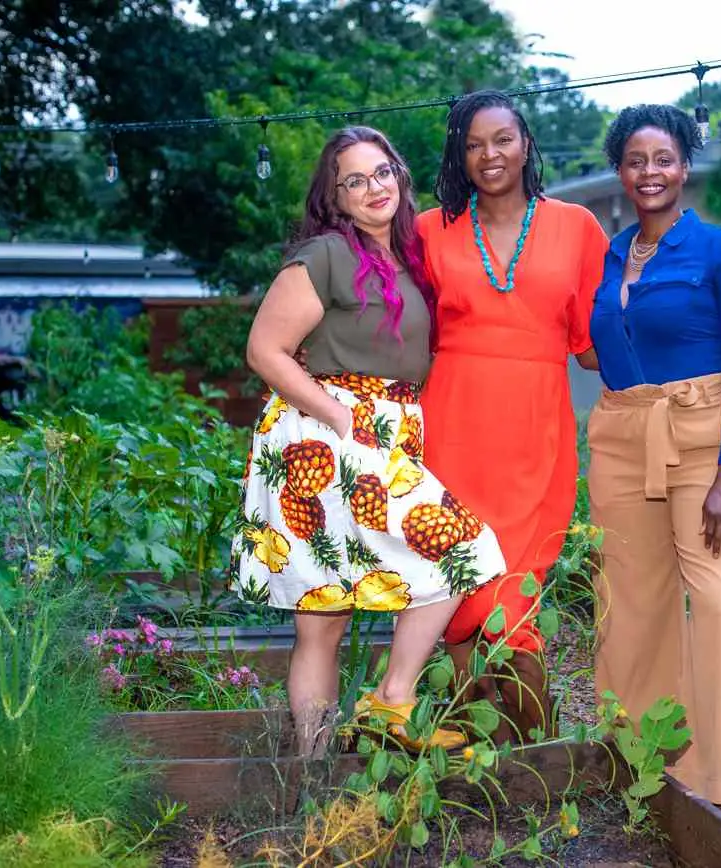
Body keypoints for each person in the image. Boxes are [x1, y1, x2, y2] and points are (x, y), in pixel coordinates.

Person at [231, 125, 507, 757]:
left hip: (384, 433)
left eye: (381, 172)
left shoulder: (408, 258)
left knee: (446, 560)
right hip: (323, 440)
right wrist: (336, 414)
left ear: (399, 177)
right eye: (354, 180)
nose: (372, 187)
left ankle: (387, 705)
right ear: (336, 196)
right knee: (328, 616)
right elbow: (264, 349)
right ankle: (318, 765)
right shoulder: (327, 253)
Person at [585, 104, 721, 824]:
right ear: (621, 171)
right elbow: (608, 340)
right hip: (624, 437)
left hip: (703, 440)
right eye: (635, 160)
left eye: (663, 159)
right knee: (631, 609)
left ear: (684, 167)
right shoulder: (613, 252)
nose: (649, 172)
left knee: (719, 604)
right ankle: (640, 765)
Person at [417, 90, 609, 743]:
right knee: (457, 591)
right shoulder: (426, 229)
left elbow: (594, 344)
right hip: (449, 427)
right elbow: (387, 318)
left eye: (501, 139)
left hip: (534, 430)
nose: (488, 154)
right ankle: (480, 746)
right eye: (473, 144)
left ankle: (538, 748)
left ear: (526, 142)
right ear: (459, 155)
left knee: (513, 597)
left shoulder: (578, 226)